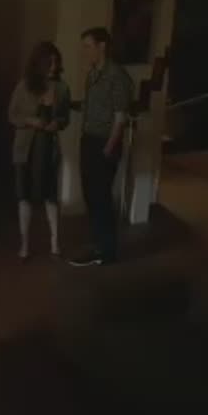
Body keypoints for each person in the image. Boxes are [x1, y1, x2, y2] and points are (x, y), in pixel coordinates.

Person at [69, 27, 134, 267]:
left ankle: (106, 252)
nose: (85, 52)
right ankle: (98, 245)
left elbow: (120, 117)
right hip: (88, 140)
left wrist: (109, 147)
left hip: (104, 143)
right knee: (91, 196)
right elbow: (90, 106)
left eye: (88, 46)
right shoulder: (92, 74)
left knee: (101, 197)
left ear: (102, 46)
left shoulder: (117, 76)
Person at [8, 41, 71, 260]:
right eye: (49, 62)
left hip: (48, 148)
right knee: (23, 195)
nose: (53, 66)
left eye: (56, 62)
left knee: (50, 195)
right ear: (39, 63)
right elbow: (12, 114)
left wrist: (57, 123)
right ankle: (24, 244)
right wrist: (30, 120)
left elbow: (65, 118)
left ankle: (55, 241)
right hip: (24, 149)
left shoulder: (62, 88)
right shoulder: (24, 85)